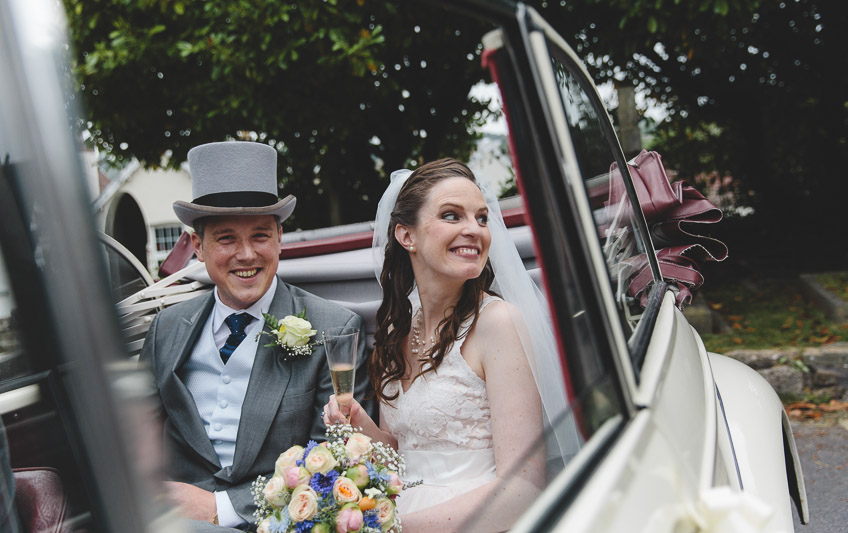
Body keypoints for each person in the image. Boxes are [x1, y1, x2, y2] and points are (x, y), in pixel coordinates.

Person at [323, 159, 577, 532]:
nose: (474, 230)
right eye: (452, 216)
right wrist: (362, 426)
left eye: (481, 218)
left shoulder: (498, 323)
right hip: (399, 509)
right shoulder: (398, 326)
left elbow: (523, 488)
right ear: (406, 236)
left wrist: (395, 528)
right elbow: (404, 456)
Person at [139, 141, 372, 531]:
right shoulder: (166, 328)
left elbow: (337, 461)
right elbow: (133, 441)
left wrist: (221, 508)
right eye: (226, 239)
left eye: (261, 236)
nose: (246, 254)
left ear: (280, 239)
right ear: (198, 246)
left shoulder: (335, 328)